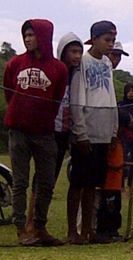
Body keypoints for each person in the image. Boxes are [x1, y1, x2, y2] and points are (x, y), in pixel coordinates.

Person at [3, 19, 68, 246]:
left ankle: (40, 226)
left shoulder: (59, 68)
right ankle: (21, 229)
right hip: (19, 131)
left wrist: (42, 117)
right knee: (20, 182)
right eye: (26, 35)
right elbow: (9, 94)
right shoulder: (14, 63)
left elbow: (57, 98)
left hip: (44, 133)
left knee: (47, 182)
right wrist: (19, 115)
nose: (28, 39)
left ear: (43, 36)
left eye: (32, 35)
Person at [24, 32, 82, 237]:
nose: (77, 56)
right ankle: (31, 223)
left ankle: (39, 224)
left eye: (79, 52)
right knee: (40, 180)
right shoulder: (55, 72)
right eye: (73, 52)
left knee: (51, 179)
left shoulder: (75, 77)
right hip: (49, 131)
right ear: (63, 52)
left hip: (65, 132)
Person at [68, 20, 118, 244]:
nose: (110, 45)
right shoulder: (83, 63)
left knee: (94, 184)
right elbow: (77, 97)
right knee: (78, 183)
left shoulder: (107, 63)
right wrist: (80, 132)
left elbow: (111, 95)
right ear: (94, 39)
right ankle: (73, 231)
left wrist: (113, 128)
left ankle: (89, 230)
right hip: (86, 130)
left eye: (113, 40)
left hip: (104, 131)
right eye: (107, 40)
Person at [119, 82, 133, 195]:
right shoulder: (121, 105)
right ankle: (121, 187)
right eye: (128, 91)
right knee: (122, 162)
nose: (131, 94)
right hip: (123, 138)